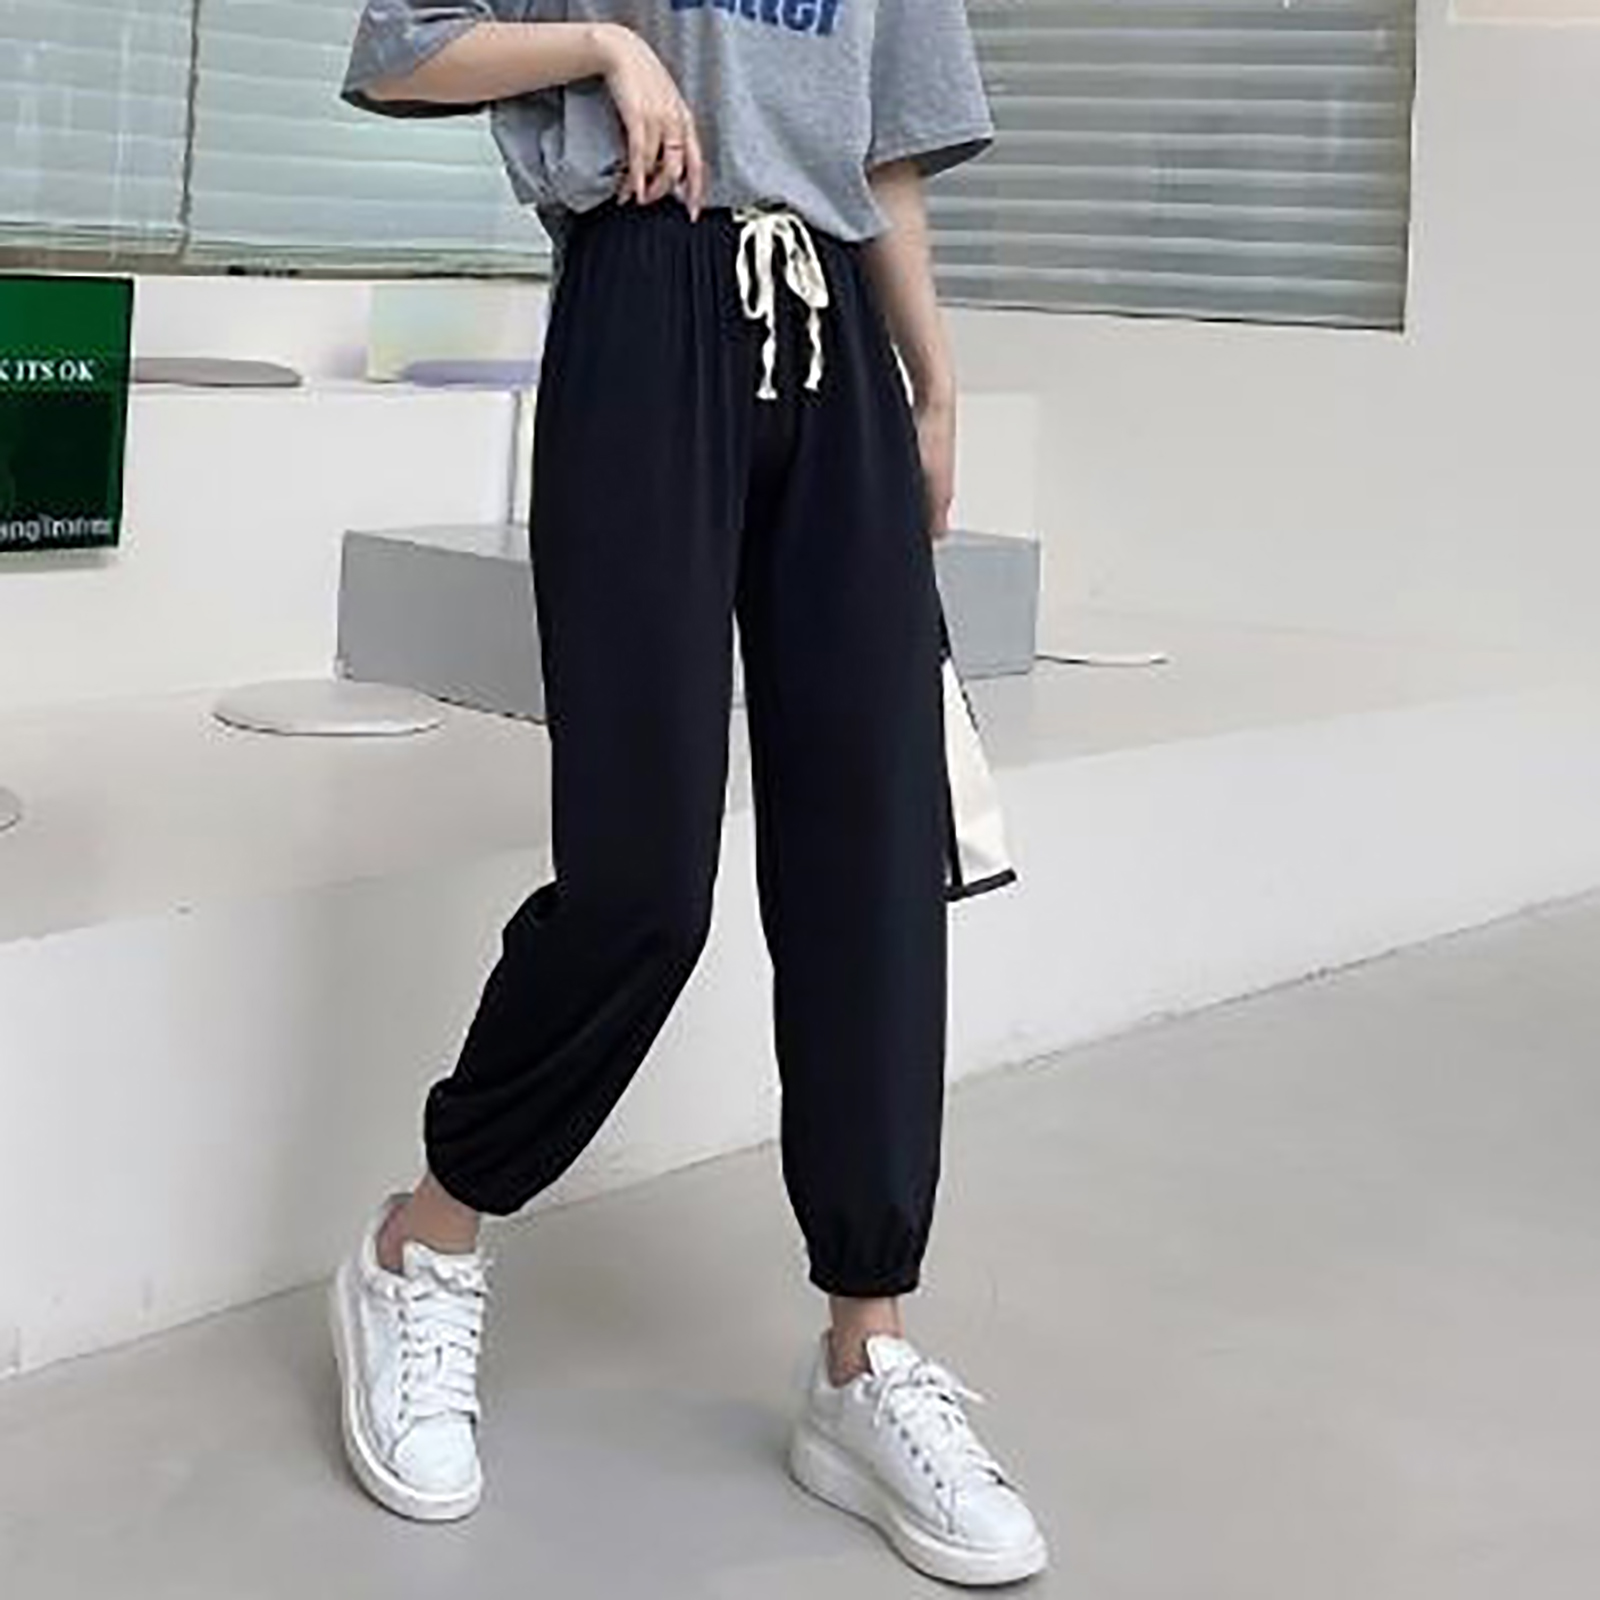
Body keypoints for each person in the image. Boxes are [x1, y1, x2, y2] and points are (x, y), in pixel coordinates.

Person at [329, 0, 1047, 1585]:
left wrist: (932, 382)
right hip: (645, 295)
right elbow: (403, 48)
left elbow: (885, 152)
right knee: (641, 881)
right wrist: (603, 46)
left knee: (869, 869)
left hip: (839, 339)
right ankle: (422, 1242)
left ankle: (865, 1351)